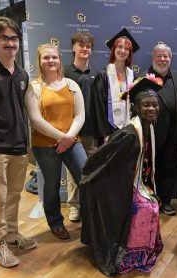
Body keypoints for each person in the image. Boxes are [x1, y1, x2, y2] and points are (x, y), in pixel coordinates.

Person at [80, 76, 164, 278]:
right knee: (144, 206)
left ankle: (143, 248)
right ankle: (130, 254)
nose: (151, 109)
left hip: (130, 182)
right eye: (146, 105)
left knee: (150, 203)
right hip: (115, 186)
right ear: (136, 108)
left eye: (155, 105)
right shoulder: (129, 134)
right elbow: (99, 161)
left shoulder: (148, 128)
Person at [24, 43, 87, 240]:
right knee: (51, 185)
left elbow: (80, 115)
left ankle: (92, 216)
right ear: (40, 61)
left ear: (60, 59)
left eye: (54, 57)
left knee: (87, 178)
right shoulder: (33, 88)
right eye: (46, 58)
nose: (51, 61)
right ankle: (56, 222)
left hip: (72, 140)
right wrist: (62, 138)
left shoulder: (71, 85)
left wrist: (69, 138)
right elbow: (35, 120)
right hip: (45, 145)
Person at [0, 16, 37, 268]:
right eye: (4, 38)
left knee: (14, 195)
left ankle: (11, 234)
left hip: (19, 146)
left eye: (14, 38)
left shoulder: (22, 73)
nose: (10, 43)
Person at [143, 43, 177, 215]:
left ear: (170, 58)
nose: (162, 59)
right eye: (159, 56)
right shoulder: (144, 78)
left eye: (165, 56)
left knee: (169, 168)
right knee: (150, 170)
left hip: (174, 134)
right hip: (152, 135)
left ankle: (167, 200)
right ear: (153, 58)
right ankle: (151, 200)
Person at [64, 31, 98, 222]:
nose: (85, 49)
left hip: (92, 131)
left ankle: (90, 205)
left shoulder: (97, 74)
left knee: (91, 170)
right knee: (73, 172)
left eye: (88, 46)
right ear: (73, 47)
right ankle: (74, 206)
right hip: (72, 132)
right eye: (81, 45)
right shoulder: (66, 72)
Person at [90, 28, 139, 142]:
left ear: (129, 54)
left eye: (127, 49)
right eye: (119, 47)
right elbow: (99, 106)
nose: (123, 51)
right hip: (109, 130)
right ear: (114, 49)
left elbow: (135, 103)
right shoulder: (103, 76)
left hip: (128, 128)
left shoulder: (132, 76)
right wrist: (105, 133)